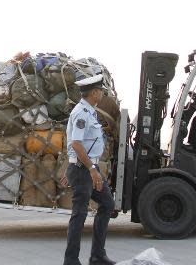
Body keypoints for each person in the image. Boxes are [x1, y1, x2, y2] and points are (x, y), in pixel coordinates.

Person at [60, 74, 116, 265]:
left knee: (107, 204)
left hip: (85, 168)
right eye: (100, 90)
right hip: (85, 170)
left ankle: (97, 255)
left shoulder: (90, 111)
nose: (102, 93)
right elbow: (76, 143)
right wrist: (91, 169)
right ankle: (71, 260)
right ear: (94, 92)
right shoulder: (82, 113)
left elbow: (81, 144)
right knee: (79, 214)